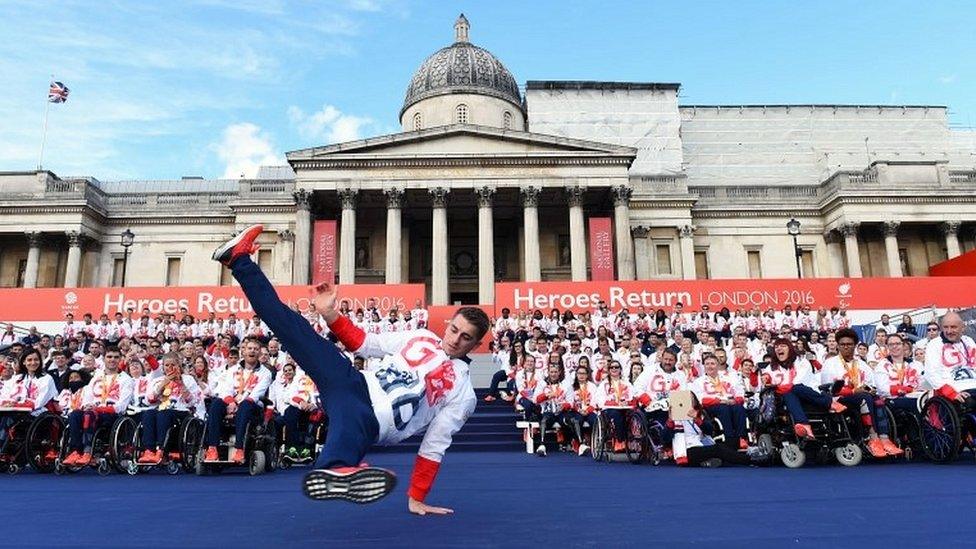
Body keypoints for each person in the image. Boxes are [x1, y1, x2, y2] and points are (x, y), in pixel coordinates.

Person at [213, 224, 489, 514]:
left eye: (465, 337)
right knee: (290, 325)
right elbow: (365, 344)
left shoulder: (464, 392)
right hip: (352, 382)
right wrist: (331, 314)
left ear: (477, 344)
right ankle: (239, 260)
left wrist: (417, 497)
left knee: (346, 436)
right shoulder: (420, 336)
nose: (455, 339)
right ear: (448, 324)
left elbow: (435, 443)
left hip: (374, 418)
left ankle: (336, 471)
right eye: (455, 329)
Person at [820, 329, 902, 458]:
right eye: (843, 344)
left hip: (862, 396)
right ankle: (872, 437)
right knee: (864, 398)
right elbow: (828, 389)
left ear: (855, 346)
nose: (846, 347)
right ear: (838, 346)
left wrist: (870, 389)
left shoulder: (862, 364)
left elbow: (871, 383)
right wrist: (853, 391)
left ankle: (884, 438)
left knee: (877, 399)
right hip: (839, 399)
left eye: (849, 344)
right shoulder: (830, 364)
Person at [202, 337, 272, 464]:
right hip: (232, 403)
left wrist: (238, 405)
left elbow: (257, 394)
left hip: (252, 406)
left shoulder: (265, 373)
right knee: (216, 404)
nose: (252, 351)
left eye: (256, 349)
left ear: (259, 353)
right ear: (243, 351)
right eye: (249, 348)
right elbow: (226, 388)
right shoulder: (233, 370)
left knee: (245, 405)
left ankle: (239, 448)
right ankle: (212, 448)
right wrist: (231, 402)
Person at [63, 346, 134, 466]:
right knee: (75, 414)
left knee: (89, 415)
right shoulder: (97, 376)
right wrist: (86, 406)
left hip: (111, 414)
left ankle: (87, 451)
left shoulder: (126, 379)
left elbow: (121, 406)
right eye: (109, 357)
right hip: (91, 412)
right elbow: (87, 397)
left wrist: (98, 408)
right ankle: (75, 451)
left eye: (116, 357)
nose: (112, 360)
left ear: (120, 359)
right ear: (104, 359)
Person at [138, 353, 202, 464]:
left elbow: (193, 402)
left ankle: (161, 451)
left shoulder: (188, 379)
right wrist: (163, 384)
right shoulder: (157, 380)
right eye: (167, 365)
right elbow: (148, 401)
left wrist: (181, 384)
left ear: (179, 365)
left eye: (173, 365)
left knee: (164, 414)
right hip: (161, 409)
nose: (170, 368)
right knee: (148, 414)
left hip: (181, 411)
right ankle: (149, 450)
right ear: (162, 367)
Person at [923, 311, 976, 404]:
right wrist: (951, 393)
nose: (949, 331)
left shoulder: (969, 341)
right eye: (946, 327)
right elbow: (931, 374)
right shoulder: (934, 344)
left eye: (953, 327)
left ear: (963, 328)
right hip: (955, 390)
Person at [532, 361, 571, 457]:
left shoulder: (565, 384)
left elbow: (571, 402)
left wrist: (564, 405)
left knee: (569, 420)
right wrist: (546, 395)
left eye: (555, 372)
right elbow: (535, 400)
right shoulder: (542, 384)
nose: (553, 374)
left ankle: (571, 442)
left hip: (561, 411)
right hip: (548, 410)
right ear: (548, 372)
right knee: (544, 420)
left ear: (559, 373)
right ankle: (542, 445)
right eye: (551, 372)